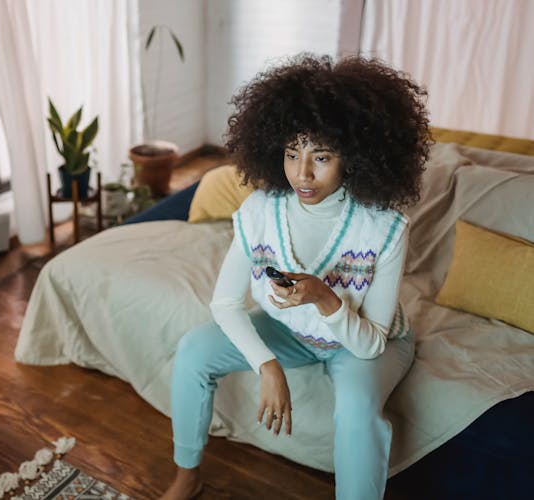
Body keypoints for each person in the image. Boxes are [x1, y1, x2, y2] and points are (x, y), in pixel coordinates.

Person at [160, 54, 430, 500]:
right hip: (291, 331)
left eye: (320, 156)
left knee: (359, 411)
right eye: (291, 154)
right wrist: (267, 365)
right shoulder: (260, 211)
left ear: (355, 156)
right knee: (193, 351)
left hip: (362, 341)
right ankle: (187, 476)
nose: (302, 173)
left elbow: (370, 342)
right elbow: (225, 303)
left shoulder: (384, 227)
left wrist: (324, 298)